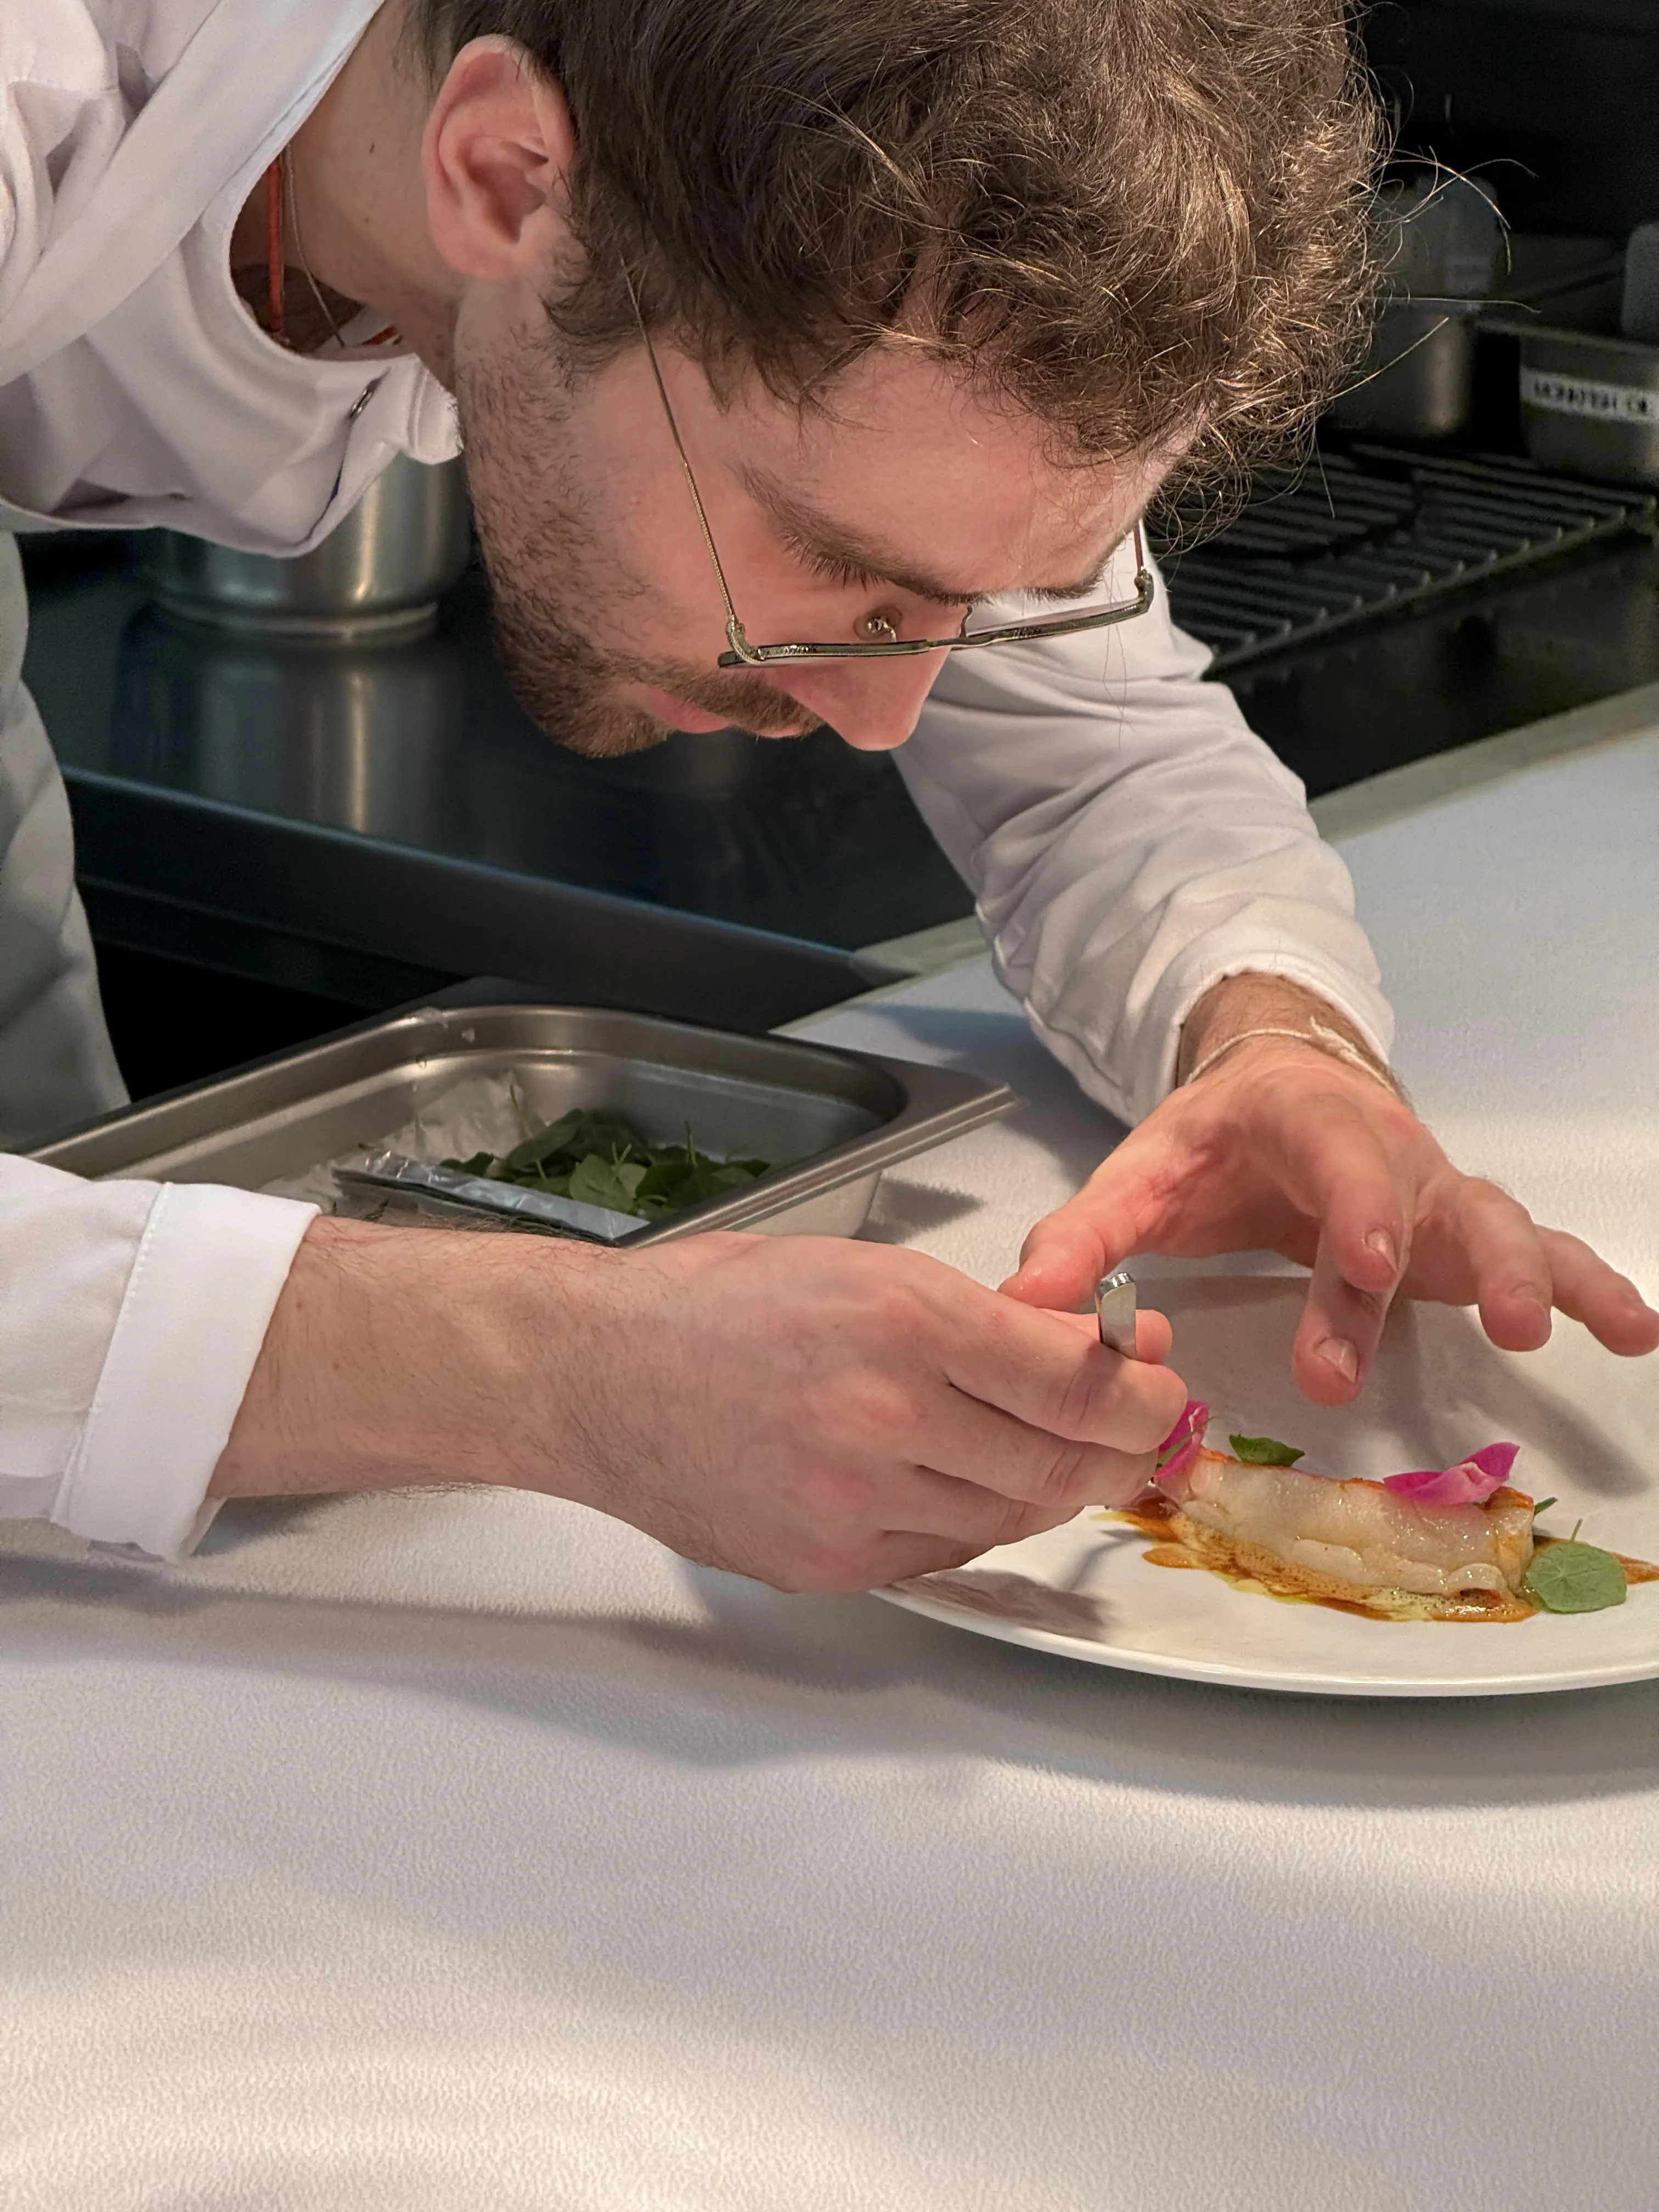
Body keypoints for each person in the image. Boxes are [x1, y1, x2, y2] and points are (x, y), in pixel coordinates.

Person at [1, 0, 1653, 1590]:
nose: (887, 721)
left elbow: (1100, 757)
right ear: (504, 176)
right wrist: (555, 1371)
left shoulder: (761, 206)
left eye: (973, 601)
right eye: (844, 570)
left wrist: (1272, 1035)